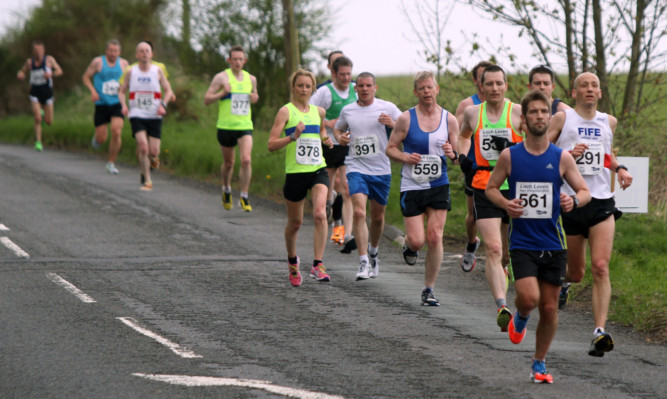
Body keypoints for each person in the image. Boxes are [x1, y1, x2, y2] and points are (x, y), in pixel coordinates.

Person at [486, 90, 590, 384]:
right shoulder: (510, 155)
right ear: (524, 120)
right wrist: (506, 204)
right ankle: (520, 315)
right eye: (533, 112)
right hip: (522, 242)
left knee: (548, 306)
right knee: (529, 299)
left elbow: (584, 191)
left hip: (554, 243)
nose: (540, 116)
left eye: (544, 111)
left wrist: (573, 202)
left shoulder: (561, 157)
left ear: (549, 116)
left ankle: (539, 362)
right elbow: (491, 189)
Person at [547, 72, 633, 357]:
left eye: (594, 85)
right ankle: (565, 283)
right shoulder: (562, 119)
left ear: (599, 92)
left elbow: (606, 155)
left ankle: (599, 331)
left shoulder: (609, 121)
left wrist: (619, 169)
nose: (589, 89)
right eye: (583, 85)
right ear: (574, 93)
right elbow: (544, 152)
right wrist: (570, 153)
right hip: (571, 201)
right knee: (577, 272)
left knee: (600, 267)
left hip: (601, 203)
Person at [458, 64, 523, 330]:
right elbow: (462, 136)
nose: (494, 88)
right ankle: (502, 306)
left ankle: (506, 272)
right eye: (489, 84)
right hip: (485, 185)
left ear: (506, 86)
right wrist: (463, 156)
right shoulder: (473, 113)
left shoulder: (518, 112)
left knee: (507, 254)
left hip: (516, 187)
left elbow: (538, 142)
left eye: (499, 83)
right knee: (494, 248)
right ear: (481, 87)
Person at [386, 71, 459, 305]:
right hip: (412, 186)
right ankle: (410, 247)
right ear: (416, 92)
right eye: (422, 88)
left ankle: (429, 289)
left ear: (437, 90)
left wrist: (452, 153)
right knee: (418, 241)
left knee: (435, 236)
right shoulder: (406, 119)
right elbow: (390, 148)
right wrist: (405, 157)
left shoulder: (449, 119)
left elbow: (457, 156)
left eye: (430, 87)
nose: (427, 92)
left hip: (439, 184)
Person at [268, 69, 334, 286]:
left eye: (308, 86)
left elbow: (322, 132)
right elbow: (271, 144)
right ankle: (292, 263)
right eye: (300, 86)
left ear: (313, 88)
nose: (304, 90)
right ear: (293, 88)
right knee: (295, 223)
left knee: (319, 214)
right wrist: (292, 136)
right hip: (295, 173)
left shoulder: (319, 112)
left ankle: (317, 264)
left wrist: (327, 140)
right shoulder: (285, 112)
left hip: (318, 170)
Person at [333, 72, 401, 280]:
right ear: (356, 89)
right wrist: (341, 138)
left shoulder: (387, 107)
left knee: (378, 217)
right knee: (360, 213)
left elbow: (408, 127)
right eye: (360, 85)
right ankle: (363, 261)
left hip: (381, 169)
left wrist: (392, 124)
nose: (364, 89)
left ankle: (373, 251)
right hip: (356, 167)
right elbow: (337, 129)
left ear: (375, 87)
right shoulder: (348, 110)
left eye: (368, 85)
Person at [204, 45, 259, 211]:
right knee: (229, 163)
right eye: (234, 59)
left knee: (246, 160)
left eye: (240, 59)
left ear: (245, 60)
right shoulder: (221, 78)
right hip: (226, 126)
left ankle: (244, 196)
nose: (237, 62)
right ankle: (226, 188)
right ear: (229, 60)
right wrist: (221, 93)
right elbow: (206, 99)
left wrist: (255, 97)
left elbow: (255, 95)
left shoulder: (251, 79)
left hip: (244, 125)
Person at [310, 56, 356, 248]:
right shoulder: (325, 92)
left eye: (348, 74)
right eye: (342, 74)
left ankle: (346, 235)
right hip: (328, 144)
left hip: (348, 144)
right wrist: (326, 123)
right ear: (334, 74)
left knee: (346, 188)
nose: (346, 78)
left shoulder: (355, 89)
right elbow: (309, 110)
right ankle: (334, 217)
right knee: (330, 192)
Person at [118, 42, 174, 191]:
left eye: (147, 51)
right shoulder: (131, 72)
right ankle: (147, 180)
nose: (144, 53)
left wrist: (163, 105)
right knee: (143, 147)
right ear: (137, 55)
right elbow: (121, 91)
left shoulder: (157, 71)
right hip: (137, 114)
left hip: (155, 114)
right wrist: (123, 106)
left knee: (154, 152)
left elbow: (168, 91)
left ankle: (152, 161)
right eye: (141, 51)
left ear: (151, 54)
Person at [454, 60, 492, 272]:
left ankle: (501, 255)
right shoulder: (467, 105)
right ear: (477, 81)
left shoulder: (509, 106)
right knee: (473, 215)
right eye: (483, 77)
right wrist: (459, 156)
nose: (489, 83)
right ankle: (471, 244)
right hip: (474, 167)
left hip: (498, 168)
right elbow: (458, 134)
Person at [82, 39, 129, 174]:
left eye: (115, 51)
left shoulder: (124, 64)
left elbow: (130, 79)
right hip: (101, 103)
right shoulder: (98, 62)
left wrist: (124, 88)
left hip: (117, 103)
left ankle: (111, 162)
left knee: (116, 131)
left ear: (119, 52)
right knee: (101, 138)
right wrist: (93, 91)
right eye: (110, 50)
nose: (113, 53)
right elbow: (85, 76)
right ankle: (97, 139)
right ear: (106, 51)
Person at [16, 40, 63, 152]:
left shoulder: (49, 60)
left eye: (40, 50)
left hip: (47, 93)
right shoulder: (29, 62)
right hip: (35, 93)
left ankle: (43, 115)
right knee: (37, 118)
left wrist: (51, 74)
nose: (38, 52)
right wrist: (21, 75)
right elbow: (22, 72)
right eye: (36, 50)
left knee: (49, 122)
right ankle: (38, 142)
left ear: (44, 50)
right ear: (33, 51)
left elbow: (59, 71)